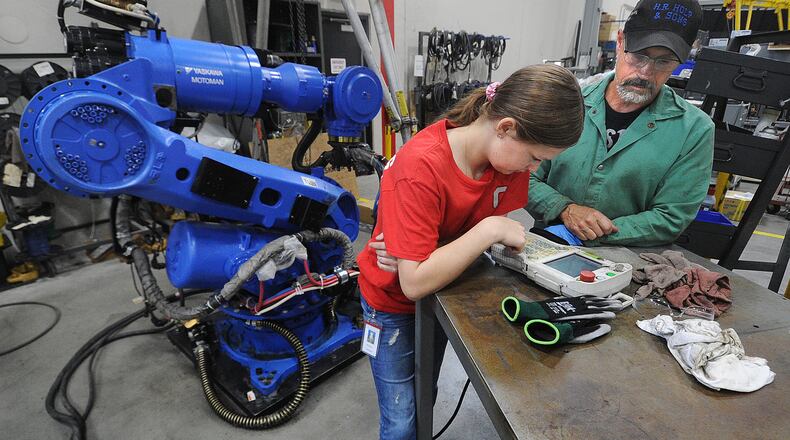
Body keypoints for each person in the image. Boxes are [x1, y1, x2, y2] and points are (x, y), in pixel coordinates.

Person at [356, 64, 584, 440]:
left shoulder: (506, 164)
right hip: (392, 305)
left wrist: (427, 252)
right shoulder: (420, 166)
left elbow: (436, 261)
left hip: (443, 294)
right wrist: (486, 231)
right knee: (401, 421)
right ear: (506, 127)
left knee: (423, 397)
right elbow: (413, 283)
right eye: (535, 157)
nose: (534, 167)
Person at [527, 0, 714, 246]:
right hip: (549, 243)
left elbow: (671, 216)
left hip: (629, 259)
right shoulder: (566, 102)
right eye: (638, 56)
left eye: (663, 62)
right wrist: (565, 208)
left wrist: (591, 232)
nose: (646, 72)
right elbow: (523, 177)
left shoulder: (694, 130)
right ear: (620, 42)